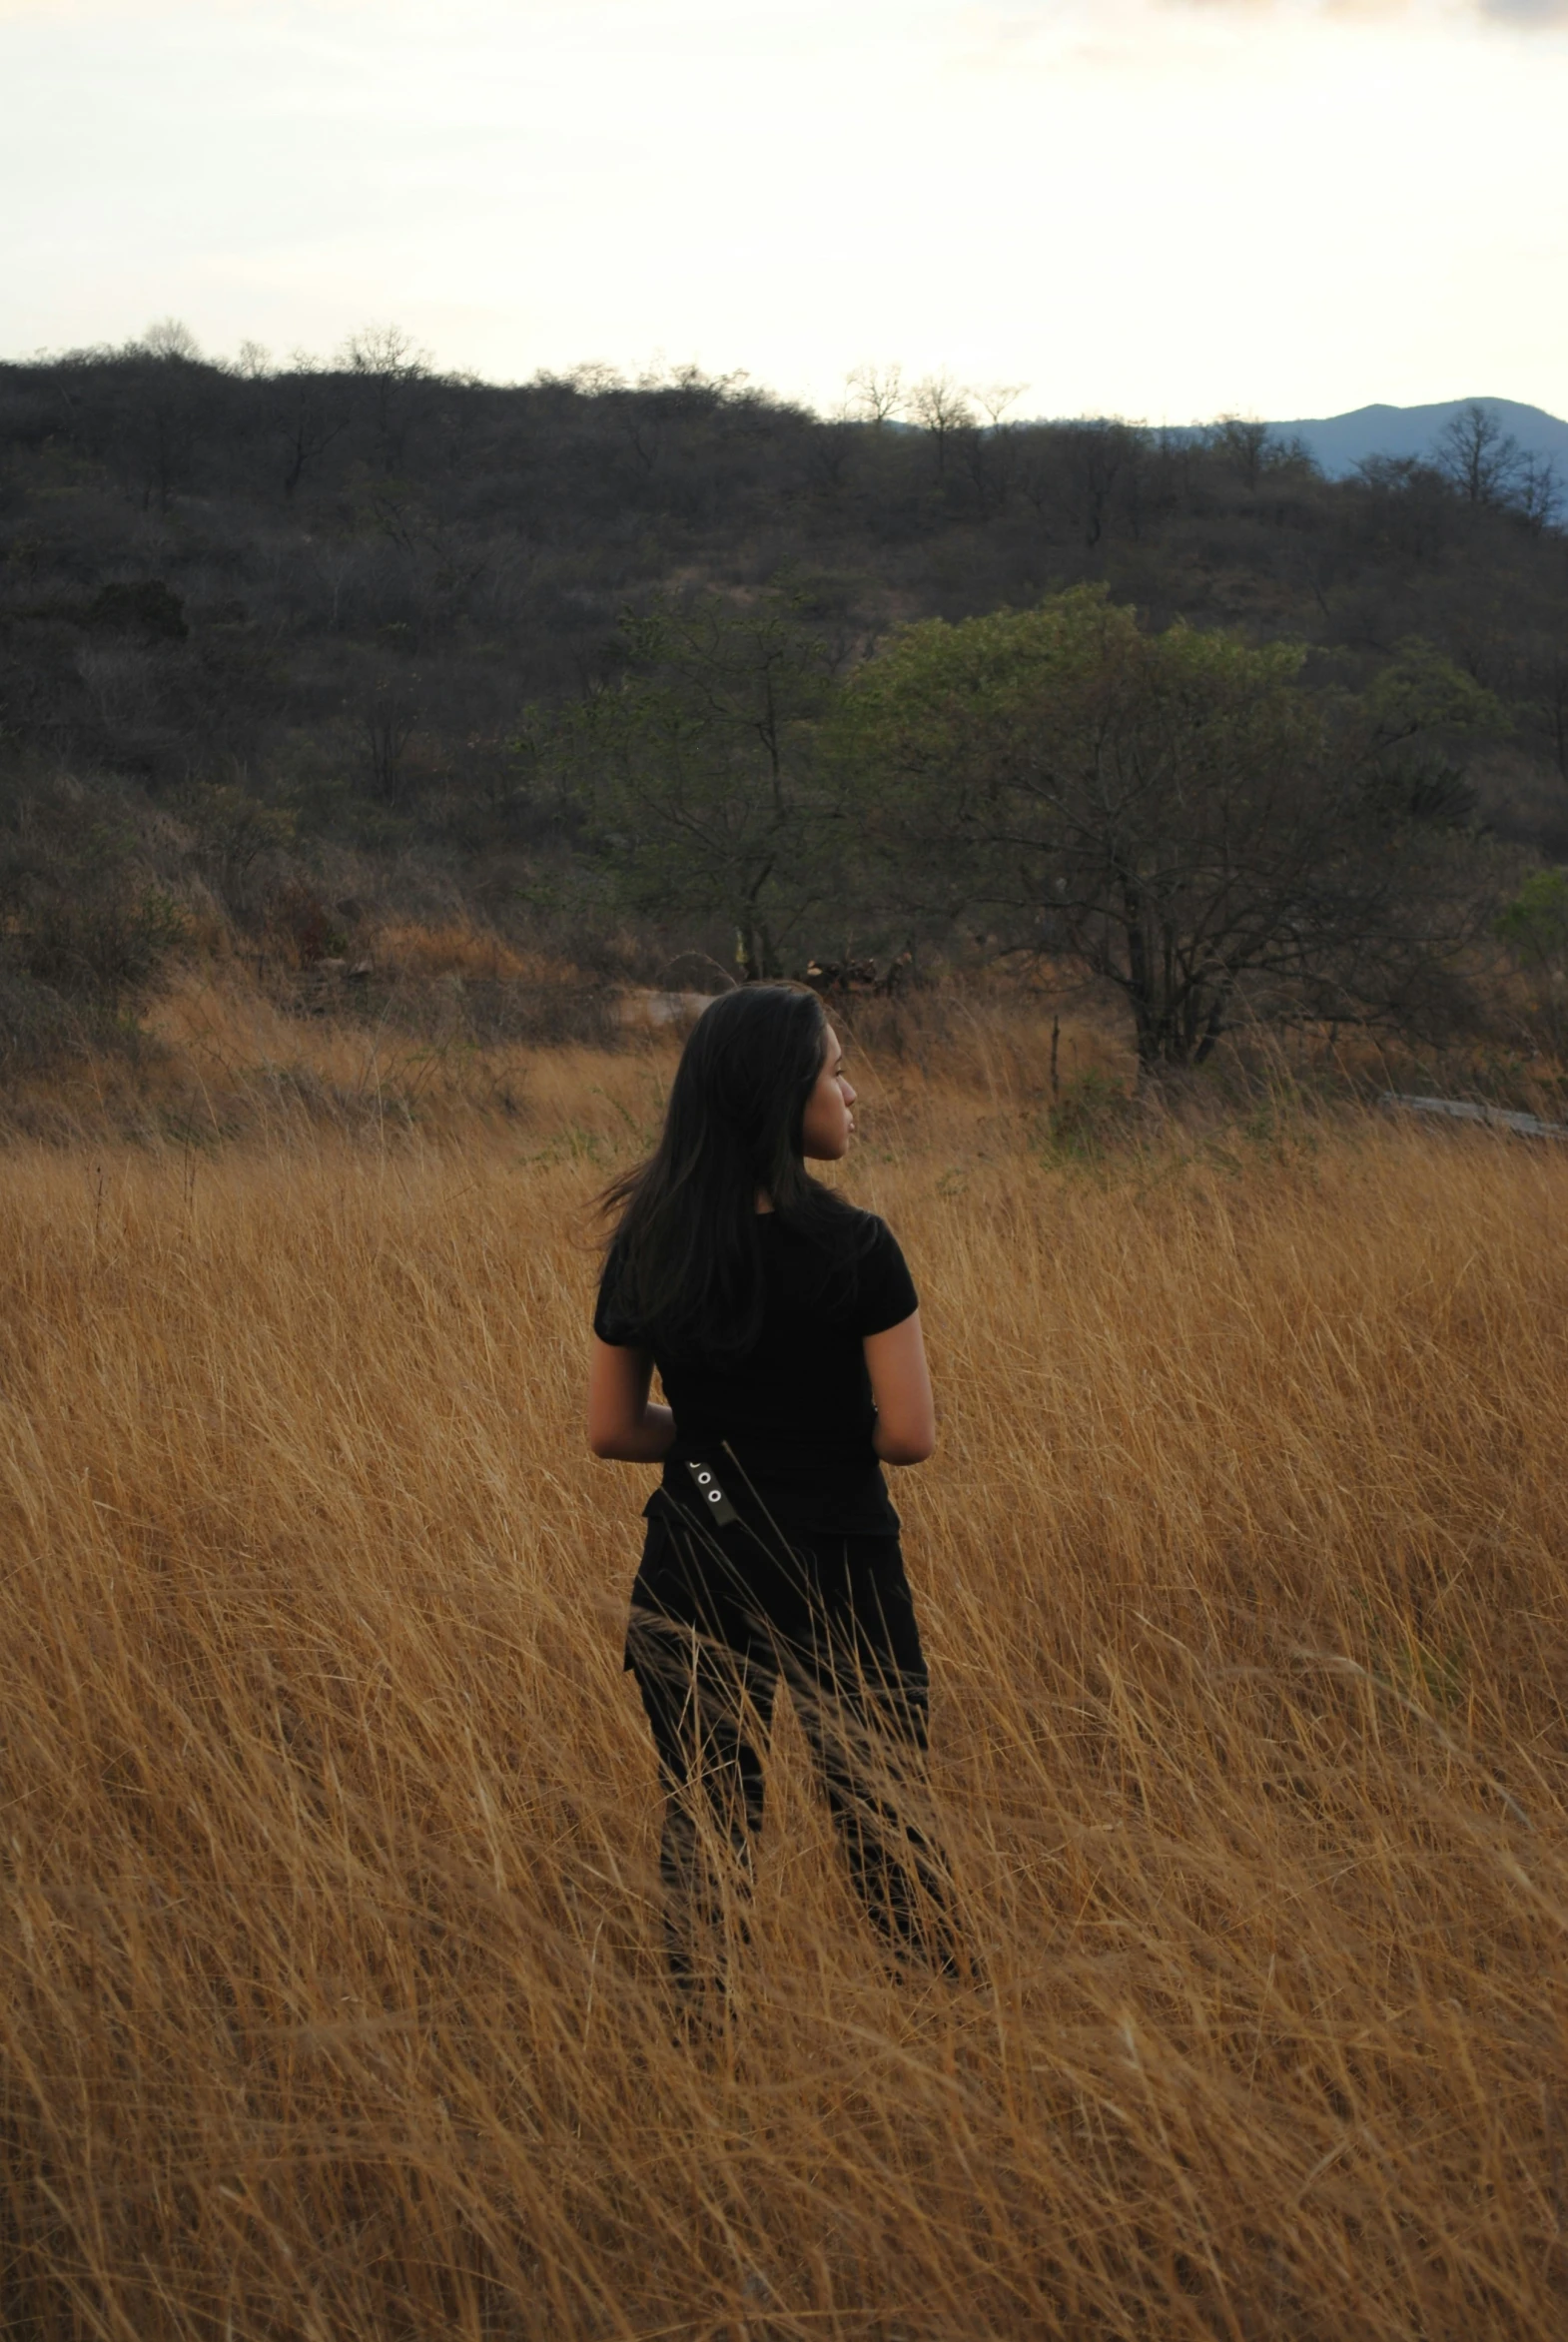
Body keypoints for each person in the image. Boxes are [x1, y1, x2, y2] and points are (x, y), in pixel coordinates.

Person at [587, 983, 956, 2007]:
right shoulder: (859, 1247)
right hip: (840, 1558)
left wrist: (713, 1449)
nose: (851, 1090)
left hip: (695, 1544)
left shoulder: (651, 1241)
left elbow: (615, 1429)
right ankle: (943, 2021)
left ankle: (703, 2052)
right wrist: (810, 1440)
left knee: (705, 1821)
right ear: (777, 1097)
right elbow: (909, 1435)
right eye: (833, 1069)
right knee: (885, 1815)